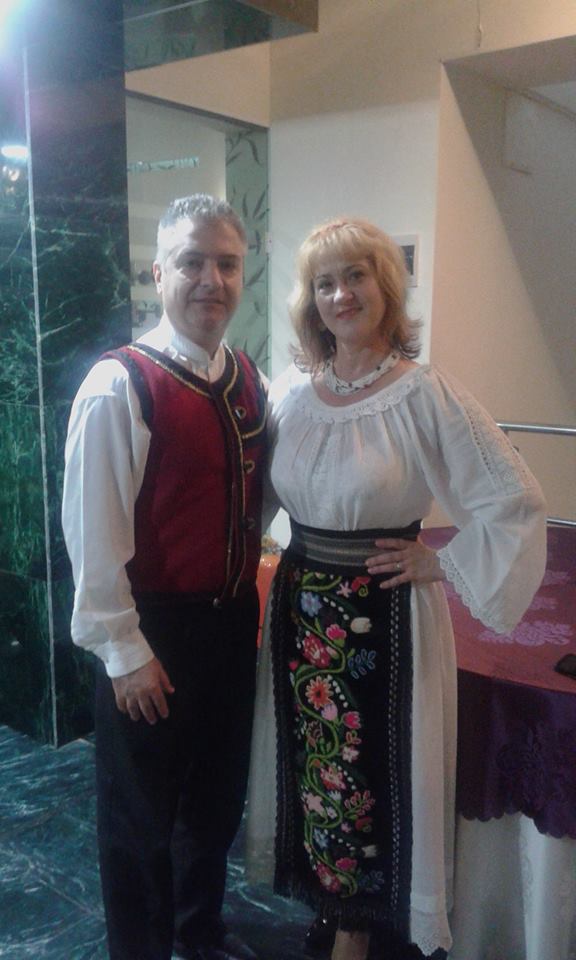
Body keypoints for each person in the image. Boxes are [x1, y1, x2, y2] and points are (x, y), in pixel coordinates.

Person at [246, 217, 546, 960]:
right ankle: (330, 900)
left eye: (356, 276)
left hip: (382, 614)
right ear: (310, 301)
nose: (341, 295)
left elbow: (513, 499)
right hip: (301, 612)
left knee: (368, 774)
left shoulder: (425, 394)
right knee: (317, 769)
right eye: (324, 283)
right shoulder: (293, 394)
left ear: (386, 286)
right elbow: (259, 496)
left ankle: (359, 927)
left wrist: (440, 561)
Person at [62, 194, 267, 960]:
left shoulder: (247, 376)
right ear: (158, 274)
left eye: (227, 264)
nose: (211, 279)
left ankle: (198, 932)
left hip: (230, 624)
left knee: (214, 803)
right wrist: (124, 651)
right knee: (140, 818)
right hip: (155, 628)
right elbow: (92, 532)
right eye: (192, 262)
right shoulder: (120, 384)